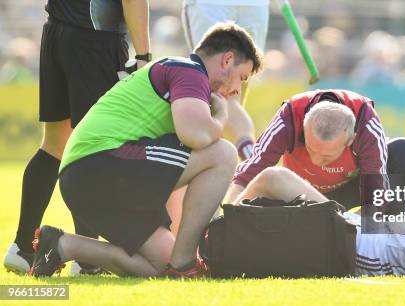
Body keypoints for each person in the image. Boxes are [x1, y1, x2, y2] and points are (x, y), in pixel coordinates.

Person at [29, 22, 263, 278]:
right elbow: (195, 135)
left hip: (88, 178)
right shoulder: (190, 70)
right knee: (223, 154)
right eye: (242, 77)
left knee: (160, 266)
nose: (238, 90)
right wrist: (221, 116)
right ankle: (185, 264)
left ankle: (63, 245)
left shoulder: (179, 72)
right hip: (103, 165)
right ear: (227, 59)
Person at [4, 0, 151, 275]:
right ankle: (88, 260)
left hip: (56, 34)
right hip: (95, 40)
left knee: (54, 145)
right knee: (94, 149)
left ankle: (23, 248)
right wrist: (144, 55)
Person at [228, 89, 405, 213]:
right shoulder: (288, 118)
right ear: (303, 128)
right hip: (300, 195)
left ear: (351, 139)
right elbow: (249, 172)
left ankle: (390, 237)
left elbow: (375, 188)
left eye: (327, 155)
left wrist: (366, 234)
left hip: (349, 189)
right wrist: (225, 219)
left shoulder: (366, 122)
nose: (317, 160)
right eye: (311, 149)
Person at [182, 0, 269, 159]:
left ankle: (242, 163)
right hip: (252, 6)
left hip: (213, 5)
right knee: (226, 98)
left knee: (224, 97)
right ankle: (246, 162)